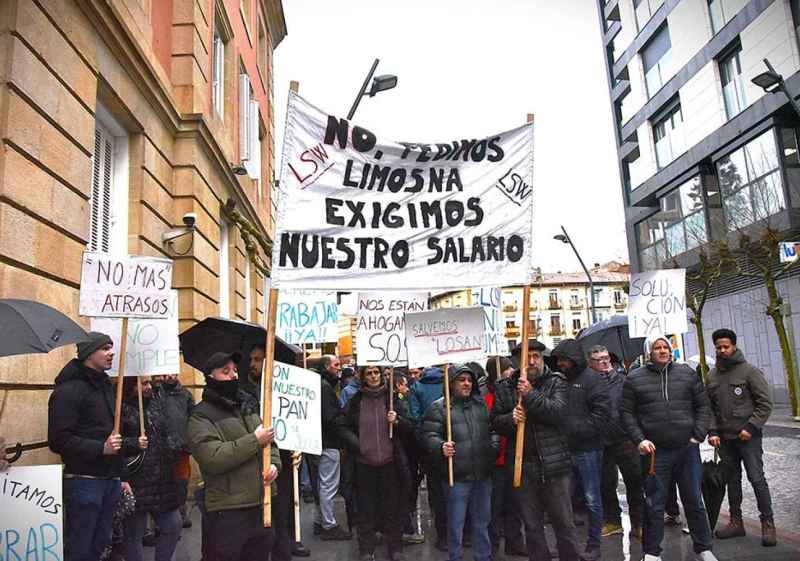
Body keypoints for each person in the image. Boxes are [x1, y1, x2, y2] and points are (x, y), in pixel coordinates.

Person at [48, 332, 147, 561]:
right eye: (105, 348)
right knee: (81, 549)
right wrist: (100, 449)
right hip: (84, 483)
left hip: (110, 482)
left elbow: (112, 438)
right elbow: (58, 440)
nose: (111, 353)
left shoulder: (106, 388)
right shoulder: (68, 391)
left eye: (112, 347)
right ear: (88, 353)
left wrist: (122, 474)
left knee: (100, 546)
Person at [622, 334, 716, 561]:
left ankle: (704, 548)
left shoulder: (687, 374)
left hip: (687, 450)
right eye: (658, 347)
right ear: (649, 353)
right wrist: (639, 440)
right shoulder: (634, 379)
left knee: (694, 500)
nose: (663, 350)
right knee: (654, 503)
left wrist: (698, 434)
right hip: (655, 453)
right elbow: (626, 413)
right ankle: (652, 552)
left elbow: (703, 406)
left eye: (666, 347)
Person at [492, 339, 580, 561]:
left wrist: (530, 394)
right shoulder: (504, 387)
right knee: (532, 525)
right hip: (522, 465)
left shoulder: (556, 381)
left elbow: (558, 413)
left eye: (536, 356)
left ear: (542, 358)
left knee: (564, 523)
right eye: (526, 357)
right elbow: (493, 422)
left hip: (554, 465)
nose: (532, 361)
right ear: (517, 361)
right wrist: (510, 419)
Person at [188, 351, 281, 561]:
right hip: (227, 510)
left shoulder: (248, 407)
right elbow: (213, 458)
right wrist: (254, 440)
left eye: (235, 370)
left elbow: (270, 445)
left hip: (260, 504)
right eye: (226, 371)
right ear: (210, 378)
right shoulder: (200, 416)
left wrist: (274, 465)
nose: (233, 376)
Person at [707, 328, 776, 546]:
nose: (722, 350)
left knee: (757, 479)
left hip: (748, 438)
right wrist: (713, 432)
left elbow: (765, 404)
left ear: (734, 346)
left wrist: (751, 427)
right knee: (732, 482)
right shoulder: (712, 375)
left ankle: (768, 524)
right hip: (725, 440)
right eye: (718, 347)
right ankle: (736, 522)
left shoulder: (749, 372)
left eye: (726, 346)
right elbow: (709, 408)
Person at [337, 365, 413, 561]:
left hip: (390, 463)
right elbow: (342, 426)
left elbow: (411, 426)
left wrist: (397, 421)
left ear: (382, 374)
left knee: (392, 509)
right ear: (363, 377)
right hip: (364, 464)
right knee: (365, 510)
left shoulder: (392, 399)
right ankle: (366, 550)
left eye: (376, 372)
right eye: (369, 373)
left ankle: (395, 549)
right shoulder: (356, 401)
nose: (373, 376)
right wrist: (357, 444)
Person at [424, 364, 499, 561]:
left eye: (469, 380)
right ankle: (455, 557)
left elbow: (493, 430)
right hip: (456, 477)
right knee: (455, 524)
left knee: (482, 522)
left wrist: (493, 447)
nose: (466, 383)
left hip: (482, 474)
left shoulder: (481, 405)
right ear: (451, 383)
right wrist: (441, 446)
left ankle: (483, 556)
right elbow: (428, 435)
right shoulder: (439, 407)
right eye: (461, 380)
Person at [551, 339, 610, 561]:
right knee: (563, 501)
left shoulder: (593, 380)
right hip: (563, 450)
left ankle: (594, 545)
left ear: (573, 359)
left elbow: (602, 415)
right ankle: (567, 545)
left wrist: (574, 429)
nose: (560, 364)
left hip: (588, 450)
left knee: (592, 499)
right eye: (558, 361)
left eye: (563, 360)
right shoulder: (559, 381)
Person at [121, 376, 183, 561]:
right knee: (134, 534)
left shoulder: (156, 402)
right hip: (136, 480)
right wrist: (132, 442)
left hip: (161, 479)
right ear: (131, 385)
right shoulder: (120, 409)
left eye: (149, 382)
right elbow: (112, 444)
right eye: (143, 383)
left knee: (173, 526)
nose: (149, 387)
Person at [588, 345, 643, 540]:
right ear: (590, 363)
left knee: (635, 482)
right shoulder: (589, 383)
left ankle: (638, 523)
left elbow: (634, 407)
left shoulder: (623, 381)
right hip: (601, 440)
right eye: (598, 359)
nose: (603, 362)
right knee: (605, 484)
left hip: (625, 439)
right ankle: (613, 521)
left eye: (606, 358)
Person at [484, 356, 525, 557]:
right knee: (494, 506)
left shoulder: (511, 391)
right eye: (506, 370)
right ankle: (492, 546)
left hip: (512, 456)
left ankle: (514, 541)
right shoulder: (485, 396)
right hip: (494, 459)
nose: (510, 373)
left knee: (514, 503)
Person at [309, 354, 351, 540]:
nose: (338, 369)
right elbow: (330, 418)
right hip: (328, 442)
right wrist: (343, 418)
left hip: (317, 441)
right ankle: (329, 525)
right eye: (335, 365)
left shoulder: (316, 384)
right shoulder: (324, 387)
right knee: (328, 485)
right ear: (326, 367)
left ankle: (320, 521)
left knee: (321, 483)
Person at [408, 365, 448, 550]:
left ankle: (443, 535)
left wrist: (421, 442)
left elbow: (414, 418)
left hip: (429, 446)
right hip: (452, 443)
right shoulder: (448, 382)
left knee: (437, 491)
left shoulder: (417, 387)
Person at [154, 373, 195, 528]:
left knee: (181, 482)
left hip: (182, 447)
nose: (169, 376)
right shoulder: (155, 393)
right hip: (161, 447)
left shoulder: (185, 395)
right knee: (160, 482)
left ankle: (181, 513)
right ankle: (160, 519)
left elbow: (193, 418)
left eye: (172, 372)